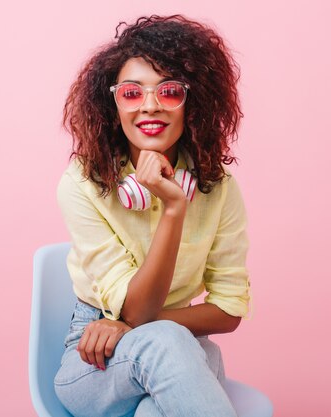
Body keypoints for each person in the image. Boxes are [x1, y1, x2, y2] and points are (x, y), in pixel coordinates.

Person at [54, 14, 250, 417]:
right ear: (113, 104)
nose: (150, 105)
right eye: (131, 93)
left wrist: (140, 324)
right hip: (97, 355)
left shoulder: (219, 187)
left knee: (155, 406)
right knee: (166, 342)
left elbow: (229, 310)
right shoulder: (82, 184)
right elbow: (138, 313)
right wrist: (175, 209)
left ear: (192, 101)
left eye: (170, 91)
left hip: (179, 347)